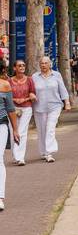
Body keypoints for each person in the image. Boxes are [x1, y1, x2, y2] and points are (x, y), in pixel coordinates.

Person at [32, 56, 71, 162]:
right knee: (42, 130)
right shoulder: (35, 76)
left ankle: (49, 153)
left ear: (50, 64)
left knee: (50, 129)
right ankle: (43, 152)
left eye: (45, 63)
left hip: (55, 106)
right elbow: (31, 90)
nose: (43, 65)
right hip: (39, 107)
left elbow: (62, 89)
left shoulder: (56, 75)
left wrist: (66, 102)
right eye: (41, 63)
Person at [0, 60, 20, 211]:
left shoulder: (4, 85)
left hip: (1, 125)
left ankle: (0, 197)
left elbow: (10, 109)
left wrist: (15, 130)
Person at [9, 58, 36, 165]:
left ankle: (20, 157)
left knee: (22, 131)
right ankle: (16, 156)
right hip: (13, 109)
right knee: (13, 132)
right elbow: (6, 97)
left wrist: (29, 97)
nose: (22, 67)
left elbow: (33, 93)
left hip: (26, 108)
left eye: (23, 65)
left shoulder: (29, 80)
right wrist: (15, 100)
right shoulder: (9, 81)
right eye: (19, 66)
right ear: (14, 68)